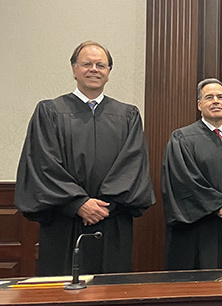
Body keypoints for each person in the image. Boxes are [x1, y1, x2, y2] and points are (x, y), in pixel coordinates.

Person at [14, 41, 155, 276]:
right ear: (74, 69)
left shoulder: (127, 115)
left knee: (109, 297)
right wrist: (78, 203)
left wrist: (103, 206)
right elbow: (43, 163)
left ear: (109, 72)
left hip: (111, 221)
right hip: (63, 220)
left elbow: (133, 165)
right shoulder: (49, 112)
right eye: (87, 64)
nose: (94, 69)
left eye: (101, 65)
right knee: (62, 295)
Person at [161, 78, 222, 270]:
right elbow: (183, 180)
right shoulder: (182, 138)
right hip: (199, 227)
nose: (215, 101)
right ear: (199, 105)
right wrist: (217, 205)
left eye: (220, 97)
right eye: (209, 97)